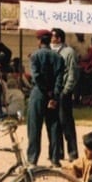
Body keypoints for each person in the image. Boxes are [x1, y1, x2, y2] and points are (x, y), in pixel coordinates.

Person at [26, 30, 64, 167]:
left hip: (38, 93)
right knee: (53, 126)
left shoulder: (35, 56)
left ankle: (32, 159)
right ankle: (54, 158)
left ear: (40, 40)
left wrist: (46, 91)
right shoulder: (58, 57)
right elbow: (60, 79)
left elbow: (36, 76)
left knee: (34, 127)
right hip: (53, 94)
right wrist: (53, 94)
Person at [51, 28, 79, 161]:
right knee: (54, 124)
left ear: (59, 38)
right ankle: (58, 152)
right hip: (53, 93)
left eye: (53, 37)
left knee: (66, 123)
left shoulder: (69, 52)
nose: (51, 39)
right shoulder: (50, 51)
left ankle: (72, 153)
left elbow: (73, 73)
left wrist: (66, 90)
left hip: (63, 92)